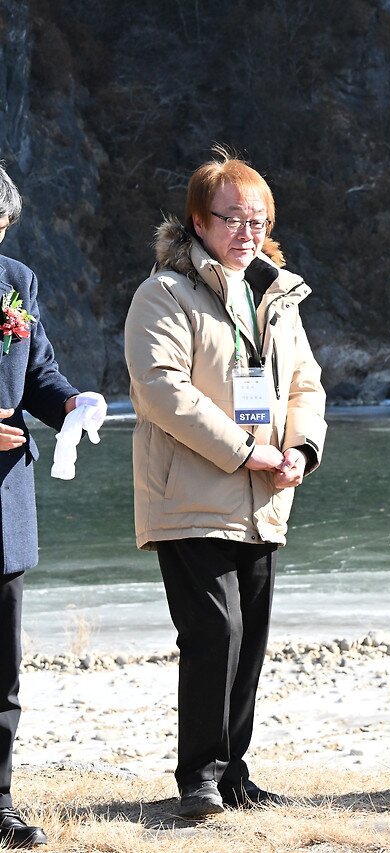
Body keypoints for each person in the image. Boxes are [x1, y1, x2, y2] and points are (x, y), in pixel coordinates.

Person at [124, 147, 326, 819]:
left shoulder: (275, 295)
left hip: (263, 497)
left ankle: (234, 771)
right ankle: (199, 777)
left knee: (250, 638)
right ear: (198, 222)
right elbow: (160, 390)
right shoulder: (165, 293)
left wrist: (299, 447)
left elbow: (305, 384)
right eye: (232, 217)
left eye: (257, 217)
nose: (247, 229)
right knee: (216, 632)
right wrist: (246, 452)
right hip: (190, 494)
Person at [0, 162, 107, 848]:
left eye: (1, 228)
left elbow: (35, 373)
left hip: (3, 500)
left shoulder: (19, 281)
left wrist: (70, 400)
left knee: (1, 672)